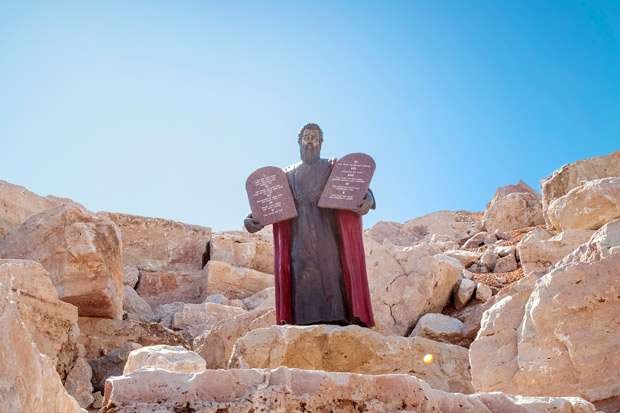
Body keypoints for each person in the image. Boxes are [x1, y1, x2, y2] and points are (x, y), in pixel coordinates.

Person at [244, 123, 375, 327]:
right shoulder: (286, 175)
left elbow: (357, 186)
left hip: (328, 233)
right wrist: (253, 220)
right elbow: (269, 204)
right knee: (301, 274)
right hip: (299, 235)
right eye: (307, 137)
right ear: (299, 141)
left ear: (321, 142)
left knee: (333, 271)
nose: (311, 141)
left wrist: (369, 200)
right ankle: (302, 322)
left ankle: (340, 319)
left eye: (315, 137)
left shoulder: (332, 166)